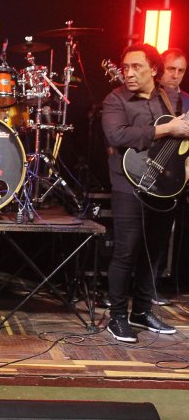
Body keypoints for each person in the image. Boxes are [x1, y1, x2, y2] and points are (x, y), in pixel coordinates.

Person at [101, 43, 189, 342]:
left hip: (164, 185)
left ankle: (141, 311)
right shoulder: (115, 99)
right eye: (125, 67)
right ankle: (117, 317)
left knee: (154, 251)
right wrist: (166, 130)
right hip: (128, 183)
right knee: (126, 251)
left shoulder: (170, 98)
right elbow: (117, 135)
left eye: (136, 67)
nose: (129, 73)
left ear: (153, 69)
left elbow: (181, 138)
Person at [151, 48, 189, 306]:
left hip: (176, 174)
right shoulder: (150, 98)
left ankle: (153, 285)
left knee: (164, 232)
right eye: (171, 69)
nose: (176, 75)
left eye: (181, 70)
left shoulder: (186, 101)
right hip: (148, 169)